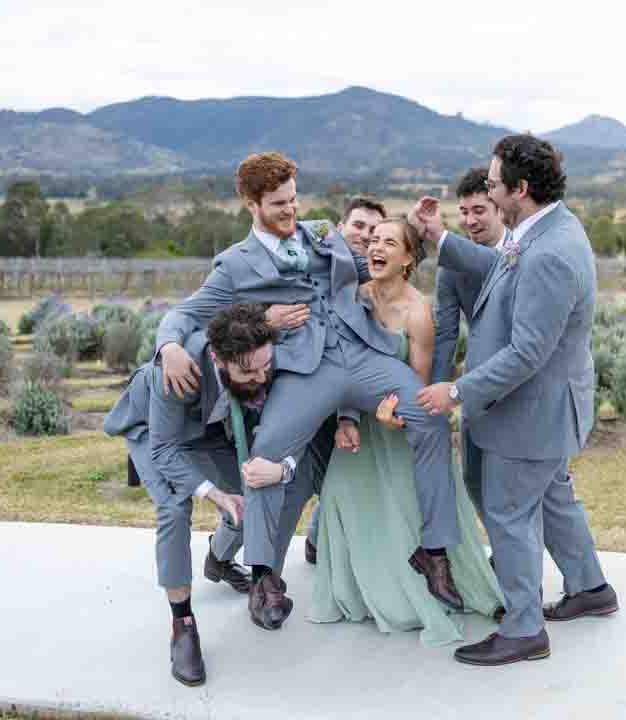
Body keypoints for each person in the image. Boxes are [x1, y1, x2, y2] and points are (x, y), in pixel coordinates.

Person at [154, 152, 462, 631]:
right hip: (304, 371)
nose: (291, 210)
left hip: (361, 354)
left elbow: (383, 258)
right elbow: (188, 313)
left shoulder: (321, 233)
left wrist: (424, 232)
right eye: (279, 203)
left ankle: (435, 550)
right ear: (251, 203)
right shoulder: (235, 266)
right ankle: (262, 578)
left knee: (428, 413)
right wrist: (170, 345)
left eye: (295, 199)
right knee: (265, 459)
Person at [411, 134, 618, 667]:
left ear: (520, 190)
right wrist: (443, 239)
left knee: (508, 513)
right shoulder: (545, 229)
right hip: (543, 410)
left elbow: (528, 350)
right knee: (552, 500)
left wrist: (457, 390)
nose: (490, 189)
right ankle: (590, 587)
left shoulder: (549, 251)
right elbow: (502, 270)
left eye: (496, 184)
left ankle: (525, 629)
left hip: (530, 414)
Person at [104, 303, 335, 686]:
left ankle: (219, 560)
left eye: (266, 368)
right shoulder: (179, 369)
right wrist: (213, 494)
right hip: (154, 432)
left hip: (207, 430)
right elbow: (165, 451)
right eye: (249, 372)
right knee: (174, 508)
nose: (261, 378)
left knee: (252, 493)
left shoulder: (258, 365)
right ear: (217, 358)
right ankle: (183, 625)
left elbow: (289, 429)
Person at [309, 217, 503, 645]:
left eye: (389, 242)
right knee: (341, 494)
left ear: (408, 259)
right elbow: (342, 364)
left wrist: (389, 410)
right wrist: (346, 417)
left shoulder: (418, 313)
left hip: (398, 425)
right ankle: (362, 589)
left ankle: (431, 570)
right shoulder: (353, 298)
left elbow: (415, 382)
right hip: (358, 421)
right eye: (373, 240)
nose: (376, 247)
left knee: (407, 503)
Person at [305, 195, 388, 564]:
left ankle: (317, 541)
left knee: (340, 476)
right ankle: (225, 551)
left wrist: (348, 414)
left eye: (374, 231)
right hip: (301, 389)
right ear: (340, 228)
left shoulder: (376, 287)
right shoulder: (314, 261)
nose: (365, 235)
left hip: (350, 398)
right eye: (358, 226)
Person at [432, 168, 509, 515]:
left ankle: (517, 557)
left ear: (500, 209)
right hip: (477, 386)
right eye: (463, 212)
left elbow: (496, 266)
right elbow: (447, 333)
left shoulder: (521, 252)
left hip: (524, 383)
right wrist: (437, 389)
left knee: (525, 484)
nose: (470, 220)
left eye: (479, 210)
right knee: (473, 478)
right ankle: (507, 549)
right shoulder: (451, 267)